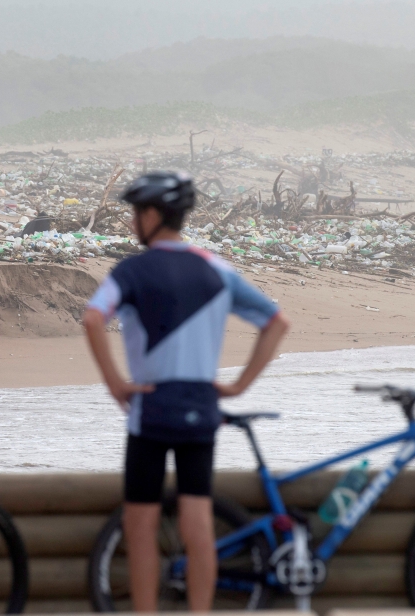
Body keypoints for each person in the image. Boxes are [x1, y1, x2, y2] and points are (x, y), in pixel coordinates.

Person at [82, 172, 289, 612]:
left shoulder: (131, 271)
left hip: (150, 407)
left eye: (136, 213)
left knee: (141, 527)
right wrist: (238, 385)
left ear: (153, 215)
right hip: (200, 407)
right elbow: (277, 322)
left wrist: (116, 383)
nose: (133, 222)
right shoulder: (217, 269)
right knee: (198, 526)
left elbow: (92, 318)